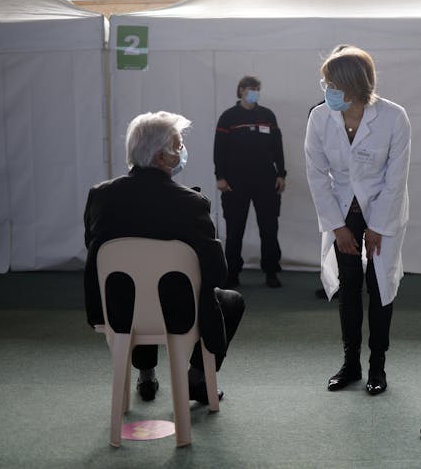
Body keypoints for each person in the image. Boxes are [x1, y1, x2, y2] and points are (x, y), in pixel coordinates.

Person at [84, 111, 245, 404]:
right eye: (178, 144)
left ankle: (146, 373)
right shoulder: (191, 204)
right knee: (229, 300)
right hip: (179, 313)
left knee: (134, 283)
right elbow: (216, 273)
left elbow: (95, 255)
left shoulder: (100, 196)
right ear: (161, 157)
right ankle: (196, 378)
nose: (182, 151)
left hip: (117, 311)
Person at [305, 45, 411, 395]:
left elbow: (396, 179)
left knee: (380, 286)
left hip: (383, 207)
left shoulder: (394, 117)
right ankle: (350, 364)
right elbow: (317, 175)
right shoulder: (320, 117)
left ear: (351, 83)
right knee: (349, 287)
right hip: (341, 209)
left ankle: (377, 367)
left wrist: (378, 227)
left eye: (331, 82)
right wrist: (337, 227)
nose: (326, 89)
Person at [214, 75, 286, 288]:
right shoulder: (228, 117)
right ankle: (232, 273)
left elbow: (277, 147)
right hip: (235, 182)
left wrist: (281, 174)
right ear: (241, 90)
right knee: (235, 229)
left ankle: (271, 271)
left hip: (266, 180)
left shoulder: (267, 116)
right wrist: (220, 176)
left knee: (269, 228)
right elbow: (219, 149)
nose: (253, 91)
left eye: (256, 88)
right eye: (249, 88)